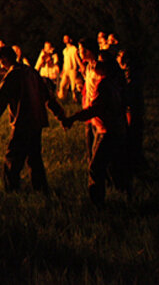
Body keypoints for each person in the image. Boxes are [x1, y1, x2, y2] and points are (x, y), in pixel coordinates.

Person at [0, 46, 66, 193]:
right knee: (34, 157)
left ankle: (12, 191)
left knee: (13, 158)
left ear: (3, 59)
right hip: (37, 122)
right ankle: (41, 189)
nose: (0, 64)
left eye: (0, 61)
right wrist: (60, 115)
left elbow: (0, 102)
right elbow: (47, 96)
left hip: (23, 123)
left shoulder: (12, 76)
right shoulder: (31, 71)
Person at [63, 59, 130, 205]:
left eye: (97, 63)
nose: (93, 66)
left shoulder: (104, 85)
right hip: (112, 129)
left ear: (104, 67)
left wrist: (73, 118)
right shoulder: (113, 83)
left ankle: (97, 203)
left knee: (96, 167)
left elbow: (95, 109)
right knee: (112, 164)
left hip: (108, 131)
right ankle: (124, 192)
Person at [118, 50, 146, 171]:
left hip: (132, 110)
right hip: (134, 109)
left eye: (119, 56)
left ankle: (134, 163)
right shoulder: (129, 73)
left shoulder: (130, 75)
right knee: (133, 135)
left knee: (132, 134)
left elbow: (129, 94)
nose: (117, 57)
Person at [57, 35, 80, 101]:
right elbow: (65, 61)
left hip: (72, 69)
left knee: (73, 87)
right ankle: (62, 98)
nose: (65, 40)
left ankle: (75, 99)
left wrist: (79, 67)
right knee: (62, 85)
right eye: (64, 38)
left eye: (66, 38)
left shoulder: (74, 49)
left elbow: (77, 58)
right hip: (66, 69)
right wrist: (63, 70)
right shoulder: (64, 51)